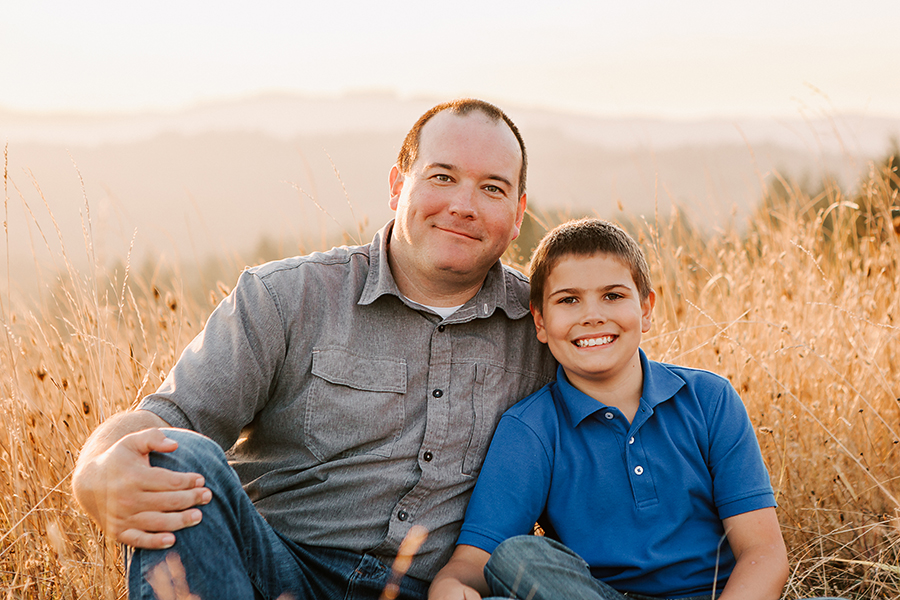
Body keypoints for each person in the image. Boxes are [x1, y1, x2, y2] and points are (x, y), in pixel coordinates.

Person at [72, 98, 557, 600]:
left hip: (434, 592)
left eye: (492, 188)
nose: (463, 204)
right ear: (397, 186)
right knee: (174, 455)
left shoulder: (547, 328)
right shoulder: (288, 297)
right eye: (442, 177)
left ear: (518, 214)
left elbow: (635, 403)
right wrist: (93, 473)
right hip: (274, 575)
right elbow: (168, 417)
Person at [429, 218, 796, 600]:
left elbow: (763, 552)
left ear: (646, 309)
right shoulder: (531, 428)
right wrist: (451, 587)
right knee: (517, 556)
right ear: (540, 320)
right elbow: (474, 562)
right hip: (593, 596)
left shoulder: (709, 400)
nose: (592, 315)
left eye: (613, 296)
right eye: (569, 300)